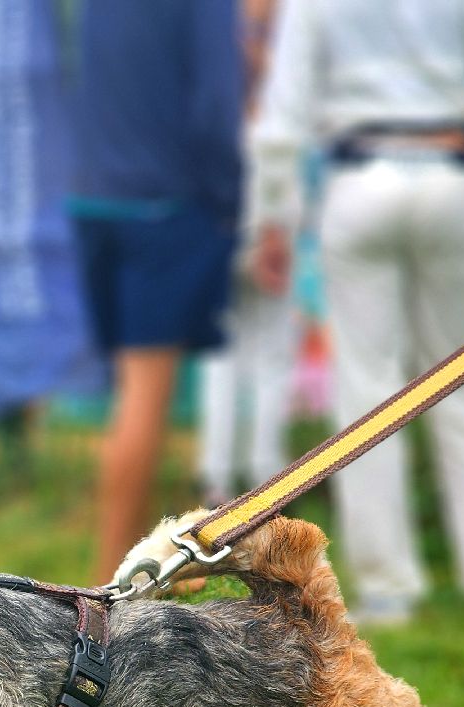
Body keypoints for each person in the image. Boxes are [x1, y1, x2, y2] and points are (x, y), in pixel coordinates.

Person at [249, 0, 464, 625]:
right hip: (450, 182)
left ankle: (387, 587)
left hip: (357, 182)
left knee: (367, 393)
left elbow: (282, 117)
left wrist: (271, 220)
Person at [71, 0, 244, 585]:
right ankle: (113, 587)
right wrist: (229, 202)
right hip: (160, 203)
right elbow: (218, 103)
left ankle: (144, 565)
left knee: (131, 395)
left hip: (96, 197)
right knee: (147, 397)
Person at [197, 0, 298, 509]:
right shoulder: (273, 98)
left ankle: (218, 480)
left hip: (220, 235)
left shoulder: (212, 88)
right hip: (266, 234)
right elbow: (280, 165)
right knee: (270, 355)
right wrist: (272, 235)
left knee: (224, 357)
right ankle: (265, 478)